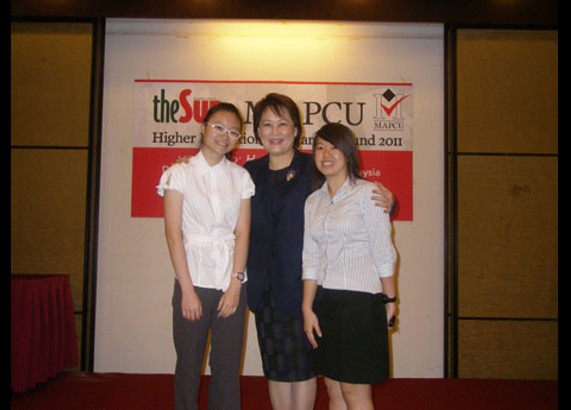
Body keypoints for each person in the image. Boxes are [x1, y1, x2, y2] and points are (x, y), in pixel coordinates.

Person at [244, 93, 395, 410]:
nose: (275, 131)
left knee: (306, 369)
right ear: (257, 131)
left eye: (282, 123)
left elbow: (353, 198)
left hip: (304, 288)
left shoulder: (311, 168)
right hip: (265, 288)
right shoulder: (249, 172)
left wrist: (391, 202)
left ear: (296, 130)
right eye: (267, 124)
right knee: (276, 368)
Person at [157, 102, 255, 410]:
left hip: (231, 283)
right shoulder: (179, 173)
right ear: (204, 128)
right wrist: (187, 291)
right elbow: (174, 234)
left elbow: (243, 233)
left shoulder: (241, 178)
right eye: (218, 127)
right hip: (193, 281)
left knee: (227, 369)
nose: (224, 136)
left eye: (233, 131)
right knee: (188, 365)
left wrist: (236, 285)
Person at [301, 122, 398, 410]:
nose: (326, 154)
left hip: (360, 303)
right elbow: (311, 258)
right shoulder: (312, 201)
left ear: (348, 152)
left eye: (334, 147)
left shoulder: (369, 194)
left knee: (354, 390)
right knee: (332, 388)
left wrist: (390, 299)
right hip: (325, 302)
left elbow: (384, 251)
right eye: (319, 147)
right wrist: (307, 307)